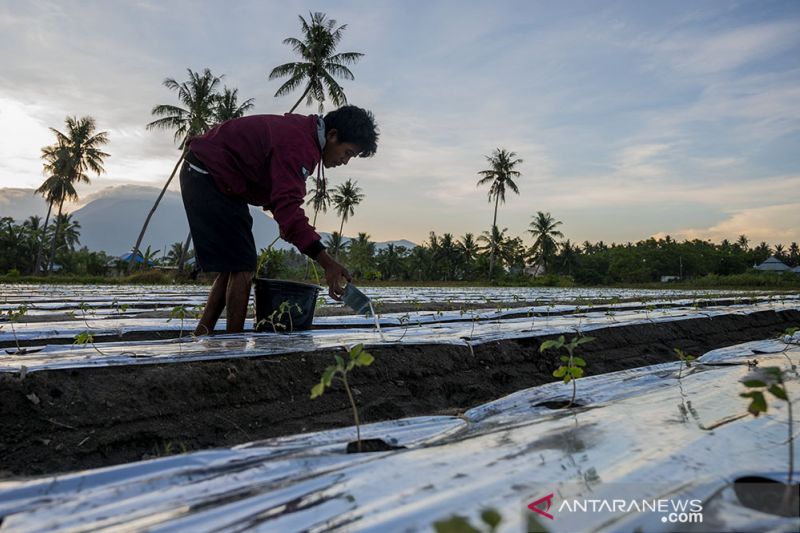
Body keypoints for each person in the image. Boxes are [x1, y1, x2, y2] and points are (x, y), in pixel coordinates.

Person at [179, 105, 379, 335]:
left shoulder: (303, 136)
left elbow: (280, 200)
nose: (345, 161)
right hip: (208, 174)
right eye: (348, 153)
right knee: (243, 266)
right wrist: (327, 262)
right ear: (332, 135)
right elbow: (288, 207)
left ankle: (202, 334)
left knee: (234, 265)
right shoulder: (298, 145)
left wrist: (290, 224)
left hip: (222, 180)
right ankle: (234, 348)